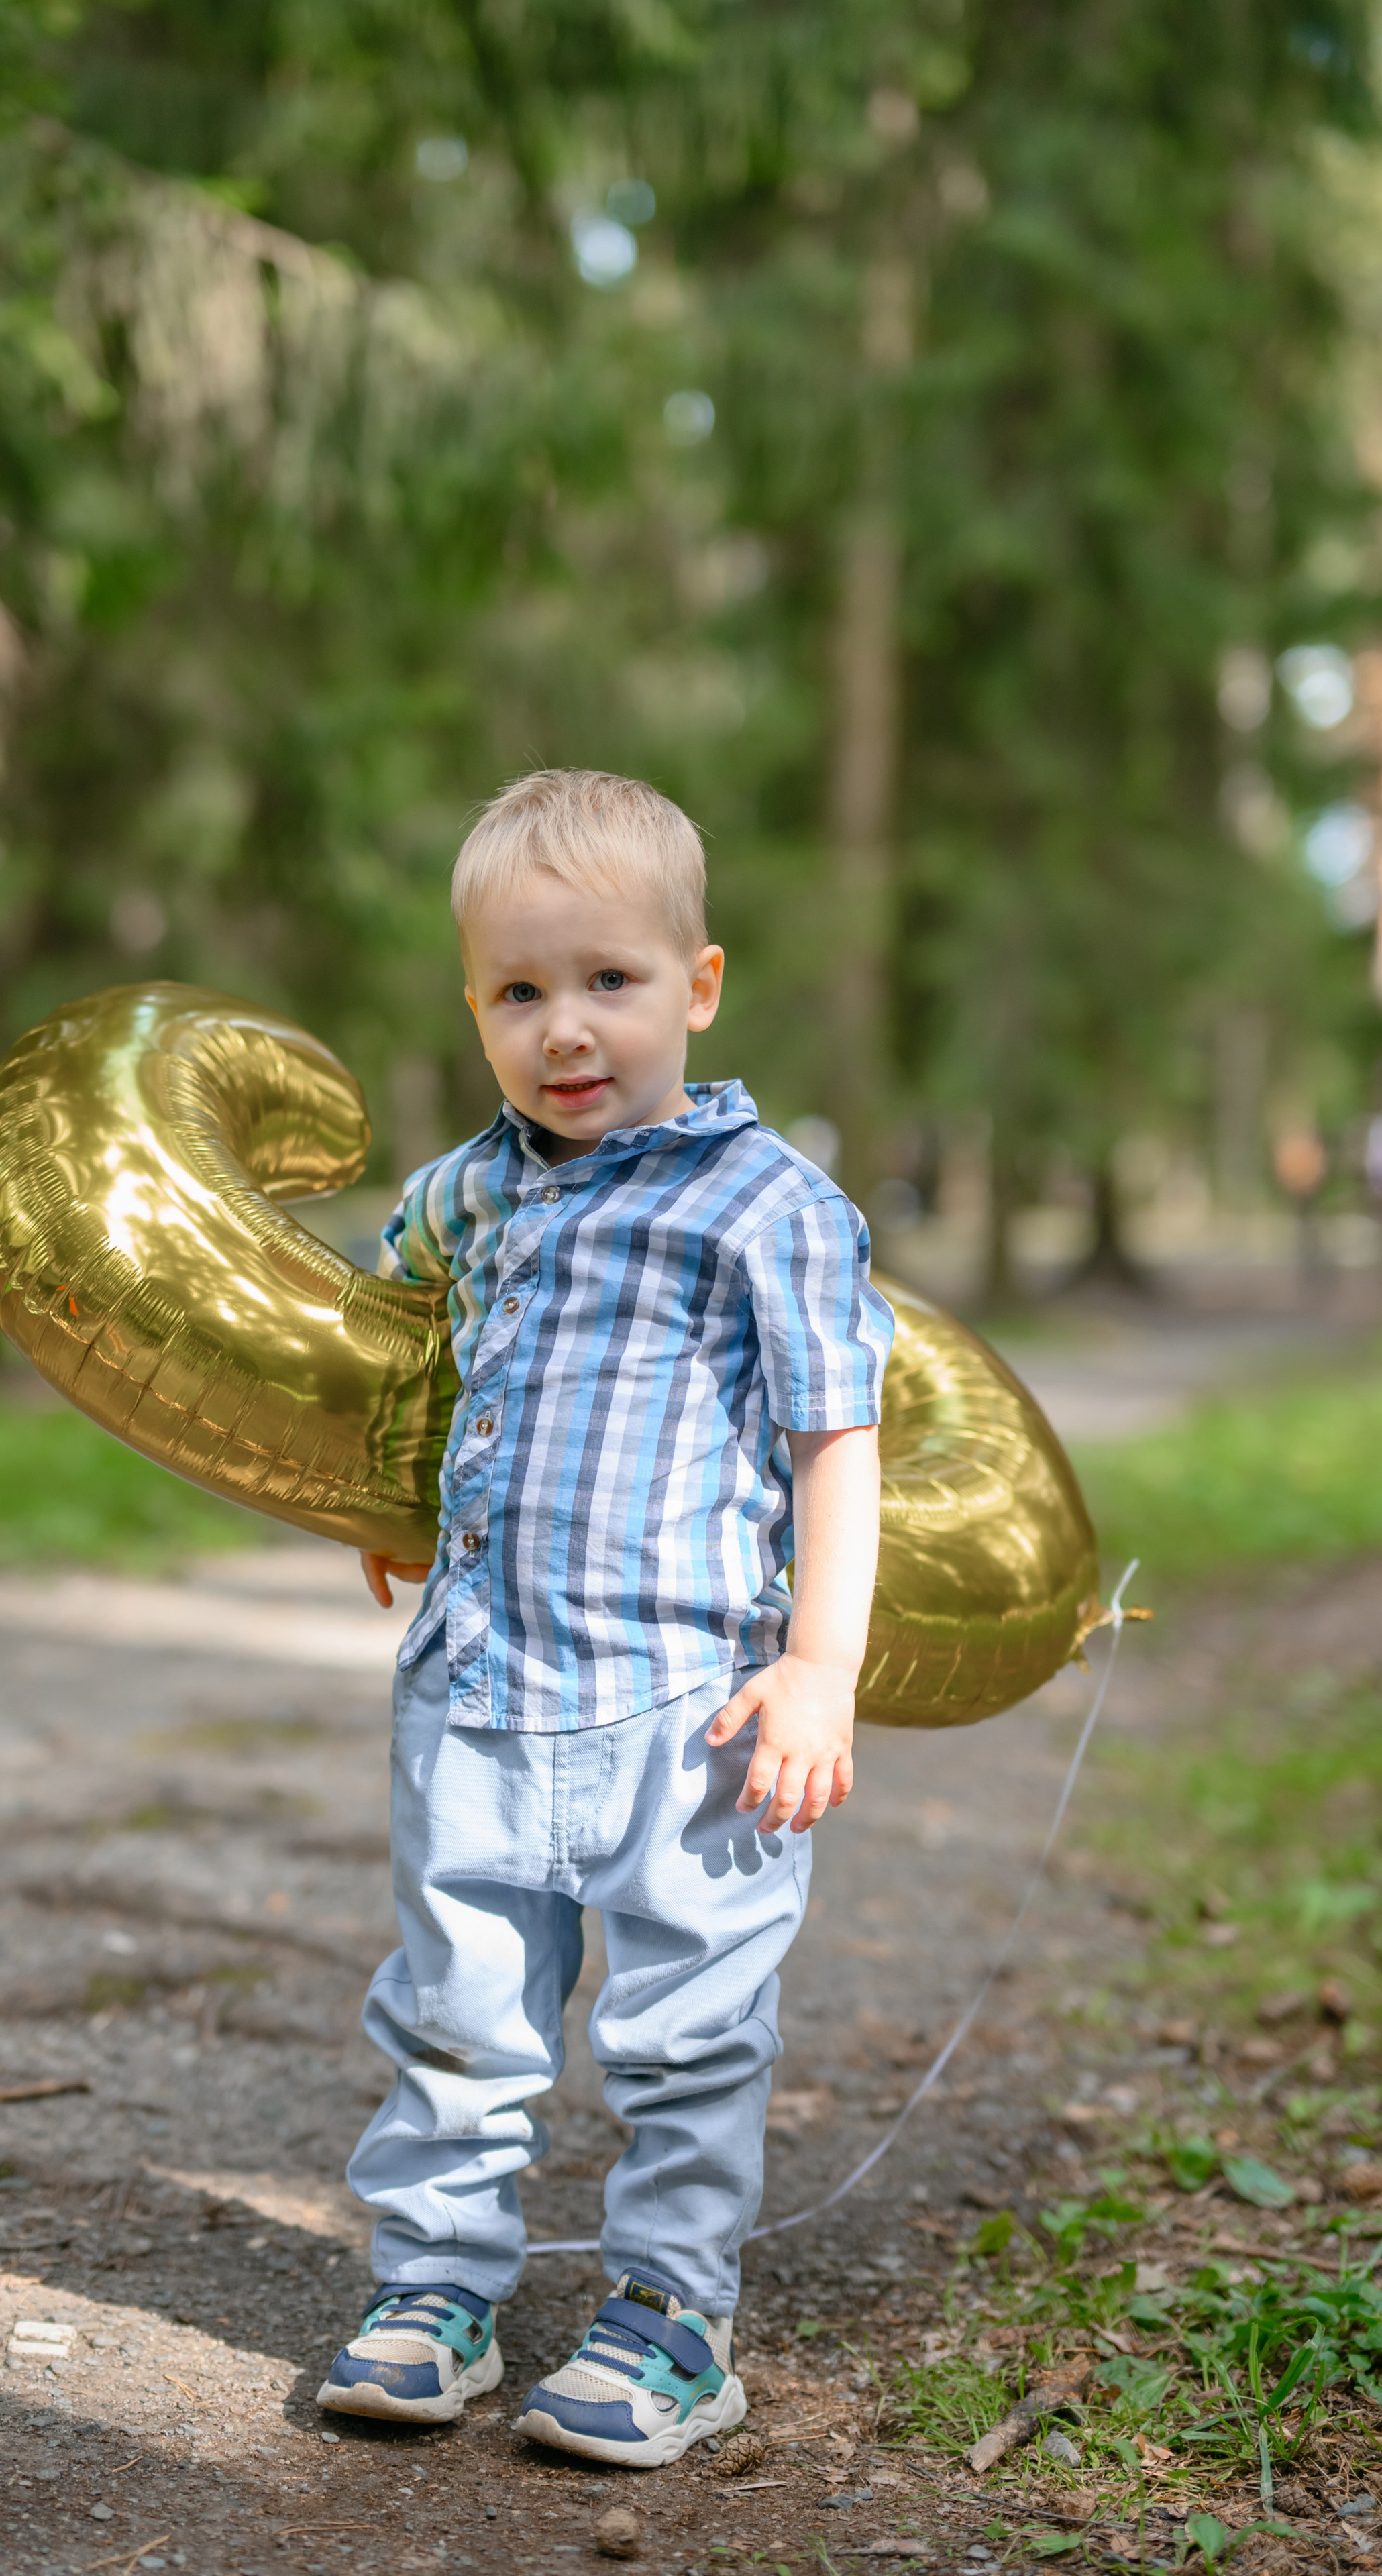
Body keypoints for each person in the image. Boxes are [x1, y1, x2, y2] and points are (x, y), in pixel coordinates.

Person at [315, 770, 893, 2467]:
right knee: (455, 2014)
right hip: (477, 1689)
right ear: (475, 1007)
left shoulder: (767, 1207)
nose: (565, 1030)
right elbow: (389, 1318)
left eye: (608, 983)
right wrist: (392, 1483)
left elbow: (831, 1446)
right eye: (518, 991)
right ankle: (435, 2291)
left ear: (696, 986)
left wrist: (817, 1669)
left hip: (692, 1711)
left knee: (686, 2032)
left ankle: (665, 2318)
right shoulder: (465, 1193)